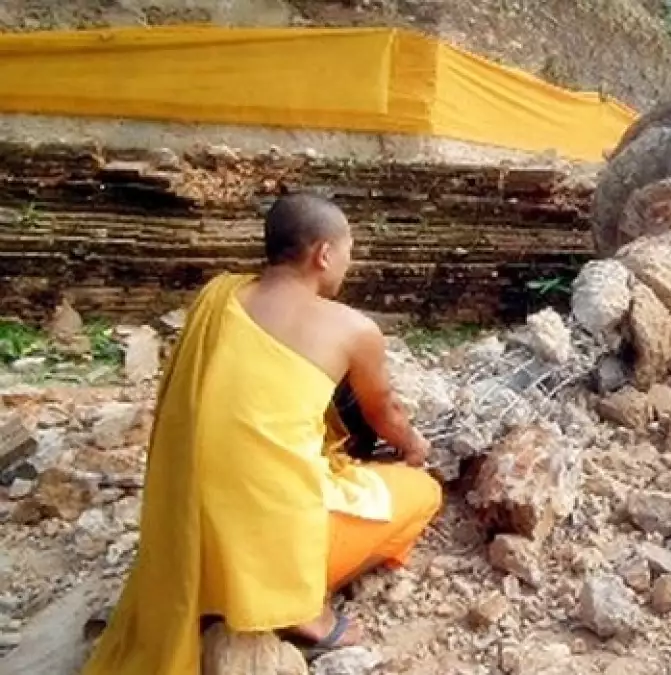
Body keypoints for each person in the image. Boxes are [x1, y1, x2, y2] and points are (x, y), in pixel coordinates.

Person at [82, 192, 444, 674]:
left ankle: (219, 584)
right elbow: (388, 415)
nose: (348, 265)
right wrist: (414, 447)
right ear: (324, 254)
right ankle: (302, 609)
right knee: (422, 493)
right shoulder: (353, 329)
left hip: (186, 537)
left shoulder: (217, 298)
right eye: (348, 252)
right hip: (270, 543)